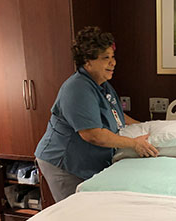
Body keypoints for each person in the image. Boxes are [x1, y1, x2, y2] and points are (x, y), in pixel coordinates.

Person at [35, 26, 158, 202]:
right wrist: (134, 144)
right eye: (105, 58)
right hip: (63, 162)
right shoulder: (78, 89)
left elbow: (118, 116)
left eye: (113, 57)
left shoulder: (101, 84)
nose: (113, 63)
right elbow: (92, 134)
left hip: (86, 159)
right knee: (75, 211)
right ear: (88, 61)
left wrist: (147, 127)